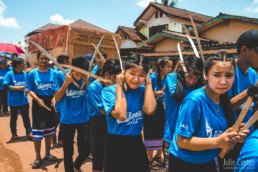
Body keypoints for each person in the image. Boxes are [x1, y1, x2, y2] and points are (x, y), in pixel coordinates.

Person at [168, 52, 250, 172]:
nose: (223, 81)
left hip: (208, 161)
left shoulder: (223, 99)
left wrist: (233, 135)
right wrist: (218, 142)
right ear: (205, 74)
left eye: (229, 75)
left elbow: (214, 133)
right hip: (184, 164)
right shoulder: (194, 101)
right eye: (217, 75)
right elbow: (182, 141)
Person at [102, 52, 156, 172]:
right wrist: (118, 86)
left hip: (136, 142)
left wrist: (148, 83)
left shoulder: (142, 91)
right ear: (123, 72)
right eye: (132, 73)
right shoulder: (109, 91)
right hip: (116, 144)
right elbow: (121, 115)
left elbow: (150, 110)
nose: (136, 79)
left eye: (141, 75)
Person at [220, 30, 258, 171]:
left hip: (247, 137)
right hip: (229, 139)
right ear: (244, 49)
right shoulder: (228, 72)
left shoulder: (253, 74)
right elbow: (226, 107)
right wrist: (251, 90)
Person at [163, 56, 203, 168]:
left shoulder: (197, 85)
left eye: (196, 78)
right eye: (189, 77)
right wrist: (181, 74)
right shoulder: (172, 77)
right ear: (183, 70)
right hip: (171, 137)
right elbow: (178, 96)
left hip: (190, 138)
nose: (192, 81)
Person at [55, 56, 91, 172]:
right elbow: (57, 98)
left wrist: (87, 83)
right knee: (68, 151)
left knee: (87, 148)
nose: (80, 76)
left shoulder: (87, 79)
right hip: (67, 119)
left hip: (83, 118)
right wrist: (66, 83)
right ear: (72, 69)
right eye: (78, 73)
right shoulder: (61, 76)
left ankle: (77, 165)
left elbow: (92, 98)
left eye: (83, 74)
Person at [87, 58, 121, 172]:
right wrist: (108, 89)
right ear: (106, 74)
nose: (117, 81)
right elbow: (103, 110)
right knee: (98, 154)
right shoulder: (93, 87)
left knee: (111, 153)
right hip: (98, 123)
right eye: (115, 77)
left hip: (112, 122)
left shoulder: (117, 85)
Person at [28, 51, 58, 169]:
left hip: (50, 105)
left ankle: (48, 154)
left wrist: (55, 98)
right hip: (38, 105)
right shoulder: (32, 73)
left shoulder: (54, 73)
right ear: (38, 59)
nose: (44, 61)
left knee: (49, 132)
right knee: (37, 133)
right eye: (42, 58)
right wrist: (37, 99)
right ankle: (37, 157)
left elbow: (55, 89)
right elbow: (29, 89)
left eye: (46, 59)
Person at [143, 56, 172, 170]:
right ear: (160, 67)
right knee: (151, 133)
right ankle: (149, 159)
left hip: (161, 107)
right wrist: (155, 93)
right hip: (151, 107)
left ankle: (158, 156)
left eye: (171, 66)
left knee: (161, 132)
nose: (170, 69)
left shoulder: (168, 78)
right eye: (168, 66)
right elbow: (144, 91)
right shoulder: (152, 78)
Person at [3, 58, 32, 139]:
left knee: (26, 117)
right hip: (13, 101)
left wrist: (27, 90)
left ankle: (29, 132)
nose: (24, 66)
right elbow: (6, 86)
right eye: (23, 64)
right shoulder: (9, 74)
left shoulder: (25, 74)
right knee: (13, 118)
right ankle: (14, 133)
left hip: (24, 100)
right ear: (18, 65)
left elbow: (27, 85)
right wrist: (17, 88)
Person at [53, 54, 70, 146]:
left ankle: (60, 139)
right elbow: (56, 90)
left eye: (68, 61)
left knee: (63, 122)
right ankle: (53, 134)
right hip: (59, 103)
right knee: (56, 121)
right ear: (59, 63)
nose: (68, 63)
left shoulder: (69, 73)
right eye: (65, 62)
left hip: (67, 102)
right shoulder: (58, 73)